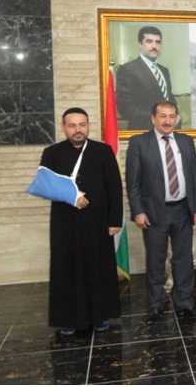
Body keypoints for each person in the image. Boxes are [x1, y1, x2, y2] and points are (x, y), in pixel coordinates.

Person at [39, 107, 122, 335]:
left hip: (97, 223)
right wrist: (71, 196)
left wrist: (115, 220)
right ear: (64, 128)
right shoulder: (52, 153)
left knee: (98, 268)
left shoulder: (103, 151)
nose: (78, 130)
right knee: (67, 270)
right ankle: (68, 319)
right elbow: (45, 185)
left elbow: (114, 187)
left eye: (82, 124)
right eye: (72, 125)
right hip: (65, 225)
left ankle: (100, 316)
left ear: (88, 126)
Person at [125, 101, 196, 322]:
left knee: (183, 259)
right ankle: (156, 304)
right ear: (153, 118)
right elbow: (133, 183)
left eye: (172, 116)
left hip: (183, 210)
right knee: (156, 260)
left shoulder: (186, 142)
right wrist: (138, 211)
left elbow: (194, 176)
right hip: (153, 212)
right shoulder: (139, 143)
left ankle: (184, 303)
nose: (168, 121)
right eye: (163, 116)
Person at [116, 26, 177, 130]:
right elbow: (124, 107)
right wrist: (158, 118)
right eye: (149, 41)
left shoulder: (164, 70)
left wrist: (175, 115)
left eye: (158, 42)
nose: (154, 46)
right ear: (140, 44)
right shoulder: (127, 69)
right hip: (143, 131)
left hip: (169, 131)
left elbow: (169, 98)